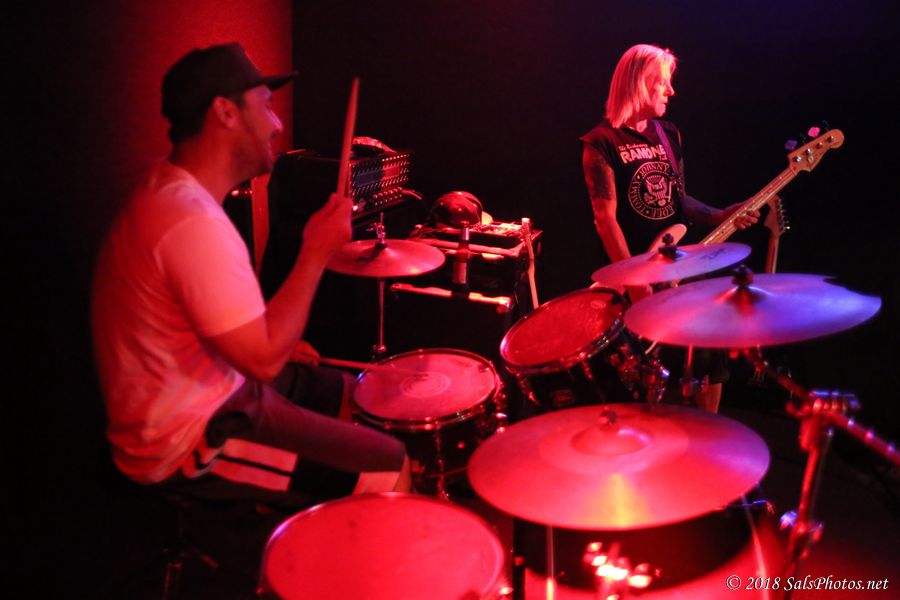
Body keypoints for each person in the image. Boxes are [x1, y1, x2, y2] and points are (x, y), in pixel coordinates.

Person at [92, 43, 409, 508]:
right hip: (185, 440)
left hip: (217, 386)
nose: (277, 124)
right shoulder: (188, 220)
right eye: (265, 104)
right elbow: (262, 363)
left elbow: (221, 330)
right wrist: (315, 251)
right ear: (225, 112)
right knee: (391, 464)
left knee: (347, 396)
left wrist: (275, 345)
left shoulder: (170, 188)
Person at [581, 43, 760, 411]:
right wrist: (636, 283)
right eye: (663, 82)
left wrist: (718, 214)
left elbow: (679, 198)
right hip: (630, 274)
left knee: (709, 349)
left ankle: (709, 430)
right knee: (636, 374)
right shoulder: (601, 142)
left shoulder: (669, 134)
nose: (671, 91)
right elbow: (605, 218)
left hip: (678, 264)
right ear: (640, 82)